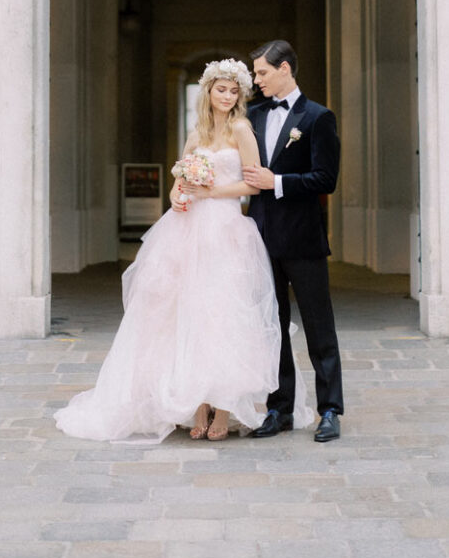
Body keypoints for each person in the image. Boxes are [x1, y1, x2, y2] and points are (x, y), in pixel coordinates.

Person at [54, 57, 310, 444]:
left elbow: (252, 185)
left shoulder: (242, 129)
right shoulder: (196, 136)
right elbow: (181, 180)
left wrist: (209, 192)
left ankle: (224, 406)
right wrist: (177, 197)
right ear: (207, 92)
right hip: (187, 231)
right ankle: (199, 404)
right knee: (186, 312)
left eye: (233, 90)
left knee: (223, 313)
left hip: (225, 229)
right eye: (220, 89)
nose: (226, 96)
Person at [243, 39, 344, 443]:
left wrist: (277, 182)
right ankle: (278, 408)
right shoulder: (251, 115)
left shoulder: (318, 118)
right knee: (273, 327)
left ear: (285, 69)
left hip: (303, 239)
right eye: (254, 73)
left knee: (320, 327)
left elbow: (327, 179)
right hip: (261, 239)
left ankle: (330, 410)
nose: (257, 80)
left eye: (262, 73)